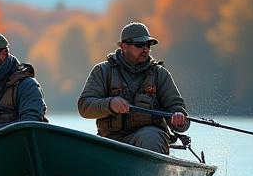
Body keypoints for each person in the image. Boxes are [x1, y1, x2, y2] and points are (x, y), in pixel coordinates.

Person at [78, 21, 189, 154]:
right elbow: (84, 106)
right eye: (139, 45)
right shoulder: (102, 71)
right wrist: (110, 104)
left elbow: (178, 111)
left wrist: (179, 120)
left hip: (149, 140)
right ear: (124, 46)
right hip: (110, 141)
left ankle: (148, 172)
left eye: (148, 45)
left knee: (150, 137)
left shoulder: (160, 74)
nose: (145, 49)